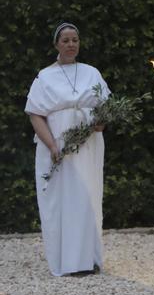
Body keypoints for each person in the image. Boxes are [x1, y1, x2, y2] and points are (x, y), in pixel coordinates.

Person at [25, 23, 109, 276]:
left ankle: (90, 258)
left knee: (88, 197)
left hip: (88, 145)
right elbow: (35, 114)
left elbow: (104, 107)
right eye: (66, 40)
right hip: (59, 145)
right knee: (64, 200)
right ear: (56, 45)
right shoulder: (45, 76)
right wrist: (52, 144)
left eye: (75, 39)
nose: (71, 44)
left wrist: (100, 122)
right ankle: (69, 261)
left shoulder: (91, 72)